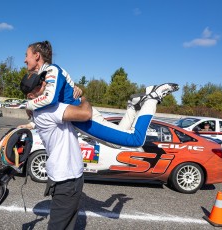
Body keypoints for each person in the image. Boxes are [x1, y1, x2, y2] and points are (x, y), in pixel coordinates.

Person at [22, 40, 179, 147]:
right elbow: (52, 110)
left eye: (26, 55)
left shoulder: (52, 70)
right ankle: (133, 105)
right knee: (117, 143)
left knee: (135, 140)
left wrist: (27, 105)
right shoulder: (45, 74)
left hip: (84, 118)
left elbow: (49, 99)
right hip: (79, 118)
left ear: (37, 56)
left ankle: (153, 96)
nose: (24, 60)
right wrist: (32, 120)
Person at [18, 75, 93, 230]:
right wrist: (83, 97)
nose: (44, 83)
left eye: (42, 80)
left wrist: (74, 91)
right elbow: (86, 114)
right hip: (67, 178)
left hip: (62, 175)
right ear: (31, 96)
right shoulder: (50, 109)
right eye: (39, 85)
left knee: (65, 224)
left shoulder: (41, 109)